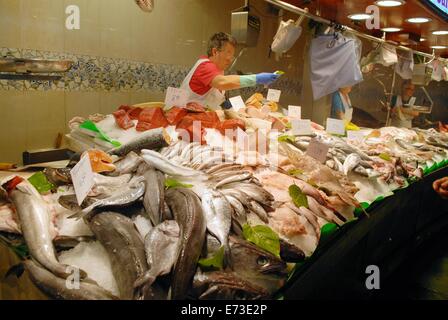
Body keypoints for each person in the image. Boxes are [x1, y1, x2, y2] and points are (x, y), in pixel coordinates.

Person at [180, 32, 280, 110]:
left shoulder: (219, 70)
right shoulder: (205, 66)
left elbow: (214, 96)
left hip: (204, 122)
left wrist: (226, 104)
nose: (231, 59)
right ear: (215, 52)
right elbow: (222, 83)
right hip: (186, 123)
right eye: (228, 53)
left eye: (232, 55)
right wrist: (257, 78)